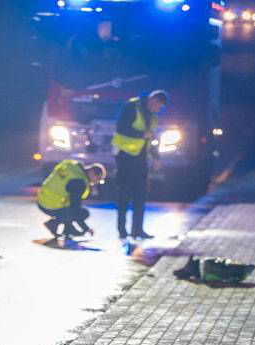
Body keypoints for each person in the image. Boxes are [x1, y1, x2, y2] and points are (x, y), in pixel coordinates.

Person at [111, 90, 168, 239]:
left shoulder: (153, 117)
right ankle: (122, 230)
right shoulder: (132, 106)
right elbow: (121, 128)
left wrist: (156, 157)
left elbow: (150, 139)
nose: (158, 110)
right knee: (124, 195)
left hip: (141, 159)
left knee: (140, 196)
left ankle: (138, 230)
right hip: (125, 157)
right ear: (153, 100)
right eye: (158, 106)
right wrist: (141, 135)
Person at [37, 159, 105, 239]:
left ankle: (68, 229)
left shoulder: (73, 166)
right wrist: (86, 228)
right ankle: (54, 224)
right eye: (98, 179)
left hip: (42, 198)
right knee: (83, 213)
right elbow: (75, 208)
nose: (96, 182)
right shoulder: (79, 182)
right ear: (92, 173)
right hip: (51, 205)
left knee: (69, 206)